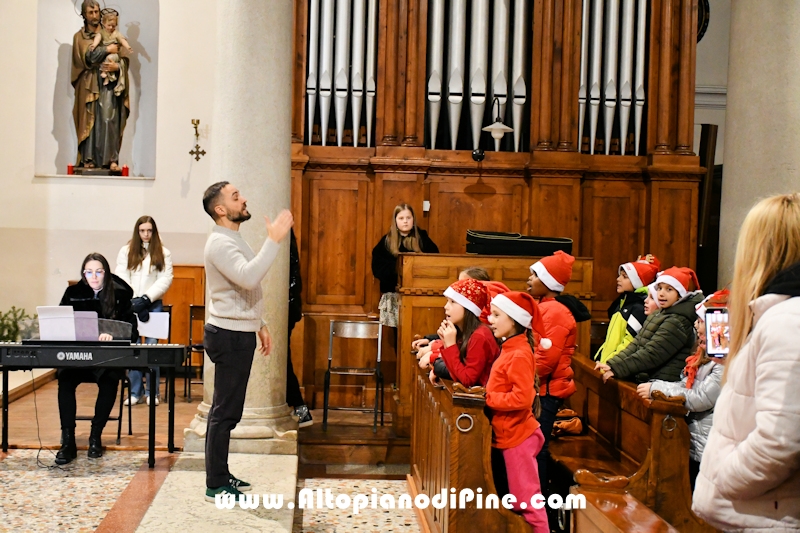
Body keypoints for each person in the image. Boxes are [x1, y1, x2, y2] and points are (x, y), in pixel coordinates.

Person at [693, 193, 800, 531]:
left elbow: (781, 440)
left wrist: (726, 479)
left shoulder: (788, 320)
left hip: (767, 518)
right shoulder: (778, 315)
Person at [201, 181, 294, 502]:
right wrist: (273, 241)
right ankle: (215, 483)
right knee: (224, 412)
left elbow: (244, 289)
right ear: (221, 209)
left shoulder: (231, 238)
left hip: (238, 331)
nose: (244, 199)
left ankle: (222, 473)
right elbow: (250, 276)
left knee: (229, 411)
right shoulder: (219, 244)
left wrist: (261, 323)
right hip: (227, 335)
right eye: (236, 196)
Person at [637, 289, 728, 491]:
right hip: (695, 443)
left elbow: (700, 398)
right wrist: (655, 386)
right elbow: (686, 385)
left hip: (709, 448)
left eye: (702, 321)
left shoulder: (724, 365)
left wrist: (657, 388)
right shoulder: (705, 360)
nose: (696, 326)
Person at [55, 253, 139, 465]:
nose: (94, 276)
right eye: (89, 272)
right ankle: (68, 442)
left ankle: (95, 436)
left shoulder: (119, 296)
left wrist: (114, 334)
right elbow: (60, 322)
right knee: (64, 379)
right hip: (78, 356)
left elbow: (132, 331)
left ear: (106, 273)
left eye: (99, 271)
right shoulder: (73, 293)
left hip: (106, 358)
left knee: (111, 379)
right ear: (83, 274)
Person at [526, 251, 591, 499]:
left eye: (535, 275)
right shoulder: (544, 307)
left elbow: (545, 360)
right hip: (539, 388)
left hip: (546, 391)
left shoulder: (554, 312)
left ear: (549, 282)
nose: (529, 278)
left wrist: (518, 378)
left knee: (537, 448)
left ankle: (540, 507)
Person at [485, 291, 550, 532]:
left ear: (513, 320)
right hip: (508, 433)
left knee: (527, 501)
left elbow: (522, 398)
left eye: (496, 315)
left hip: (518, 436)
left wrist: (488, 398)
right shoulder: (511, 347)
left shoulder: (519, 352)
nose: (490, 320)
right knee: (515, 498)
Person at [596, 267, 704, 384]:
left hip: (662, 383)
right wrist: (611, 364)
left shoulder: (678, 321)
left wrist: (618, 368)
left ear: (680, 295)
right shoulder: (658, 314)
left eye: (669, 289)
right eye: (660, 288)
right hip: (649, 380)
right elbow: (636, 344)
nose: (662, 293)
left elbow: (652, 353)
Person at [115, 216, 174, 406]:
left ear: (154, 231)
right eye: (142, 231)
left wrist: (147, 298)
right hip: (131, 304)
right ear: (137, 231)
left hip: (152, 304)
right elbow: (121, 275)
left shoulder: (163, 253)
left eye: (149, 230)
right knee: (133, 348)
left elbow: (165, 279)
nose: (146, 234)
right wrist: (133, 299)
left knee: (151, 349)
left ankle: (152, 392)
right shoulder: (126, 251)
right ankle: (134, 392)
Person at [72, 0, 129, 170]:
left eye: (97, 12)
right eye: (91, 12)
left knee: (109, 119)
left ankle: (111, 159)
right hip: (88, 84)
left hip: (108, 86)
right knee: (89, 119)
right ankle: (88, 159)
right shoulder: (79, 38)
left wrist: (117, 67)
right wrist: (106, 50)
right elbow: (87, 58)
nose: (95, 16)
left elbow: (124, 58)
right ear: (84, 15)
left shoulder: (111, 34)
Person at [418, 279, 500, 388]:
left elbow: (467, 379)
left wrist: (450, 345)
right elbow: (457, 372)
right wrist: (445, 343)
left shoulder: (479, 335)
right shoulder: (465, 332)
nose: (446, 307)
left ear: (468, 308)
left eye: (453, 302)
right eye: (447, 301)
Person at [371, 204, 438, 330]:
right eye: (401, 218)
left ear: (413, 219)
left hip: (420, 294)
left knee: (420, 329)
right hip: (395, 295)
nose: (405, 221)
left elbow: (434, 262)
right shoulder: (386, 242)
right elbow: (378, 268)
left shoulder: (423, 239)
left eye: (408, 217)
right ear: (395, 220)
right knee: (400, 335)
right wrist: (399, 270)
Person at [593, 254, 660, 363]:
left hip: (614, 365)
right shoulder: (625, 301)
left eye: (625, 277)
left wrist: (609, 363)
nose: (618, 279)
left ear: (636, 282)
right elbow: (611, 312)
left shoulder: (639, 308)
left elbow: (628, 343)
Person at [287, 230, 312, 427]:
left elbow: (291, 271)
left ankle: (299, 406)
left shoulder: (283, 235)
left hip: (285, 305)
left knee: (281, 360)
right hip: (286, 304)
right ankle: (299, 406)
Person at [89, 10, 133, 93]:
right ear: (103, 24)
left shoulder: (116, 34)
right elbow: (96, 41)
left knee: (109, 58)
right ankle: (106, 76)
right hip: (97, 78)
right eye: (109, 25)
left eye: (113, 26)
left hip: (114, 57)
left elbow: (122, 40)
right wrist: (96, 46)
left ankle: (108, 76)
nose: (111, 28)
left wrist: (128, 47)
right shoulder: (101, 33)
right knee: (105, 61)